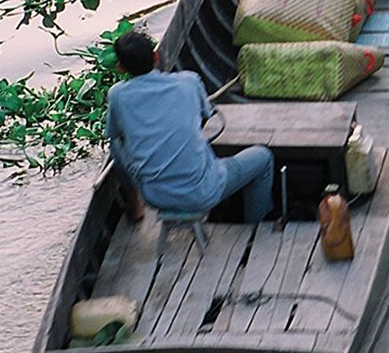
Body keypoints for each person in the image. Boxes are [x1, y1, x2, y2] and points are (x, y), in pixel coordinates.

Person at [106, 31, 274, 225]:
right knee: (263, 157)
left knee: (116, 145)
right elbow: (207, 114)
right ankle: (256, 226)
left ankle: (135, 206)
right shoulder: (188, 82)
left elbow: (115, 136)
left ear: (120, 68)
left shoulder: (117, 95)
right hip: (204, 192)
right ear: (156, 56)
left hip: (155, 196)